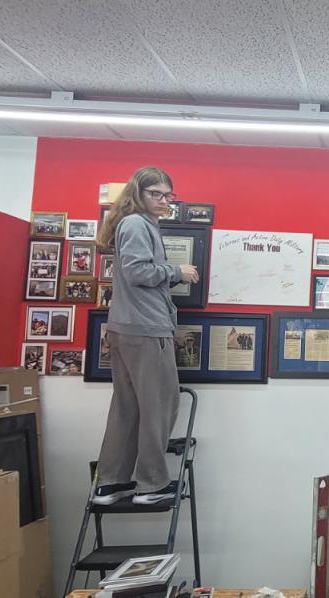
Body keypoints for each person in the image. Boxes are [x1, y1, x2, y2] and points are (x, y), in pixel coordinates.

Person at [90, 166, 200, 506]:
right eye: (156, 194)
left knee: (127, 408)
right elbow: (137, 271)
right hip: (146, 328)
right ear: (138, 193)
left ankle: (111, 483)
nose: (164, 201)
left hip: (127, 327)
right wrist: (177, 271)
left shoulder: (133, 223)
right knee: (160, 406)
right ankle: (151, 484)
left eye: (168, 195)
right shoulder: (137, 224)